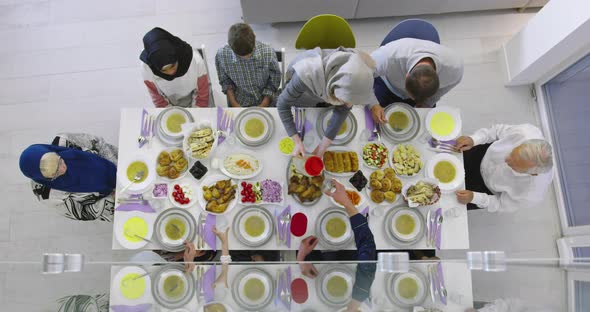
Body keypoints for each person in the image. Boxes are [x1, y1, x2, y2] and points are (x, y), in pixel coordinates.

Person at [277, 47, 377, 157]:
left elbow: (343, 109)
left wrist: (322, 146)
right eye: (344, 100)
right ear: (334, 87)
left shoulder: (357, 72)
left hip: (322, 95)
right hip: (303, 96)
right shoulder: (307, 73)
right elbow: (282, 104)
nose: (348, 105)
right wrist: (297, 141)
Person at [454, 124, 554, 212]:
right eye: (512, 153)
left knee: (448, 200)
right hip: (481, 153)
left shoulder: (530, 194)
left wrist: (474, 197)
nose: (506, 160)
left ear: (532, 174)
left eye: (514, 165)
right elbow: (496, 132)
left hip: (482, 189)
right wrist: (473, 139)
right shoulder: (525, 133)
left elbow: (500, 203)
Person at [18, 133, 118, 222]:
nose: (62, 168)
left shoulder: (64, 141)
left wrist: (119, 169)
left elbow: (97, 143)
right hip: (115, 201)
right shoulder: (48, 196)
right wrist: (113, 198)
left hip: (119, 164)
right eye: (55, 173)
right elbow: (83, 213)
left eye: (59, 160)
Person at [369, 38, 463, 123]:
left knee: (424, 125)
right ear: (406, 76)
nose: (411, 100)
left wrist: (427, 103)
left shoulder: (454, 70)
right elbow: (360, 76)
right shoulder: (389, 56)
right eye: (411, 96)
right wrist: (373, 104)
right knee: (372, 118)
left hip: (425, 97)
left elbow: (444, 89)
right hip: (387, 85)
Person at [297, 179, 376, 275]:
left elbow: (366, 243)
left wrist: (301, 258)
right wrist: (346, 202)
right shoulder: (364, 277)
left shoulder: (364, 280)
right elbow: (366, 245)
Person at [140, 27, 210, 108]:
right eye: (164, 70)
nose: (170, 72)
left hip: (195, 96)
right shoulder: (147, 68)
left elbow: (203, 96)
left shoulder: (195, 60)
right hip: (168, 100)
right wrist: (170, 111)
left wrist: (195, 114)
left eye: (172, 65)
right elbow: (158, 99)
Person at [215, 23, 281, 107]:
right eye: (240, 57)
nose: (246, 59)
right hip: (239, 101)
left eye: (250, 55)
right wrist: (235, 104)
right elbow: (225, 82)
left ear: (254, 38)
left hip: (266, 100)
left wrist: (264, 104)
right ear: (230, 47)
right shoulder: (222, 55)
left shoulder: (268, 53)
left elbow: (274, 81)